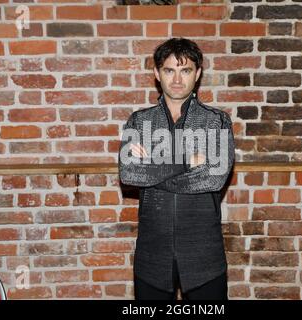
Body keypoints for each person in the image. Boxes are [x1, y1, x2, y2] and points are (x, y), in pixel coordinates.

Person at [118, 38, 235, 300]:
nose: (178, 79)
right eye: (169, 70)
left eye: (186, 70)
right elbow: (128, 174)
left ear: (198, 73)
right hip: (152, 254)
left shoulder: (216, 121)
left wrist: (152, 168)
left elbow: (214, 179)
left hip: (203, 253)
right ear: (157, 74)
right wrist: (187, 162)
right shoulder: (139, 120)